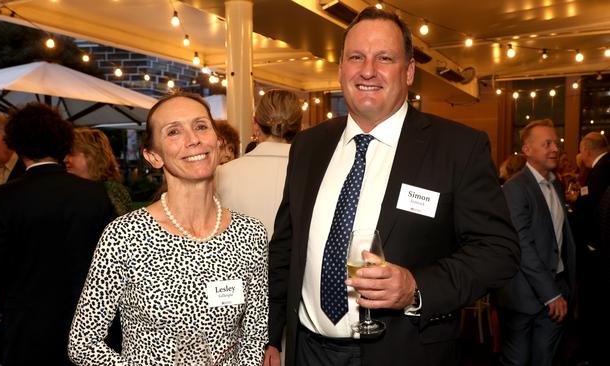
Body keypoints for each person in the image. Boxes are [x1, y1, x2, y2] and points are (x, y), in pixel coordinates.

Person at [264, 7, 519, 366]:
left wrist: (416, 287)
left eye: (384, 58)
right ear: (340, 70)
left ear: (409, 71)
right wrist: (270, 336)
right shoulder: (309, 145)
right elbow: (286, 250)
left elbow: (499, 251)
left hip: (404, 352)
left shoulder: (458, 148)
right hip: (308, 351)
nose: (368, 71)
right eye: (356, 57)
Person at [68, 92, 268, 365]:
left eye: (200, 126)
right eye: (173, 132)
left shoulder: (250, 235)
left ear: (218, 142)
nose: (193, 139)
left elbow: (255, 337)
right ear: (153, 156)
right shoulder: (125, 237)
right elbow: (82, 342)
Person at [0, 103, 114, 366]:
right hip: (89, 327)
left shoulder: (1, 199)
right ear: (62, 143)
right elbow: (112, 264)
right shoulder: (94, 194)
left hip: (27, 329)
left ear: (17, 145)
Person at [492, 120, 576, 366]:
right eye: (547, 143)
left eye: (556, 143)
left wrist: (565, 288)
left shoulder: (556, 185)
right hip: (523, 298)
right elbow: (523, 244)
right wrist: (551, 294)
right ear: (527, 150)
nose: (555, 149)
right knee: (517, 361)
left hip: (557, 290)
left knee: (545, 360)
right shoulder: (515, 188)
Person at [216, 89, 302, 238]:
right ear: (299, 127)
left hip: (239, 260)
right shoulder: (313, 174)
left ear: (255, 123)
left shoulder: (222, 173)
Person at [573, 131, 610, 366]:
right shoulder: (604, 166)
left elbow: (594, 210)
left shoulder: (602, 170)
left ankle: (593, 354)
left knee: (595, 307)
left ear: (586, 150)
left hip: (598, 253)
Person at [64, 127, 132, 217]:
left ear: (91, 155)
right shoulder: (72, 188)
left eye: (71, 153)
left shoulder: (111, 190)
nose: (65, 159)